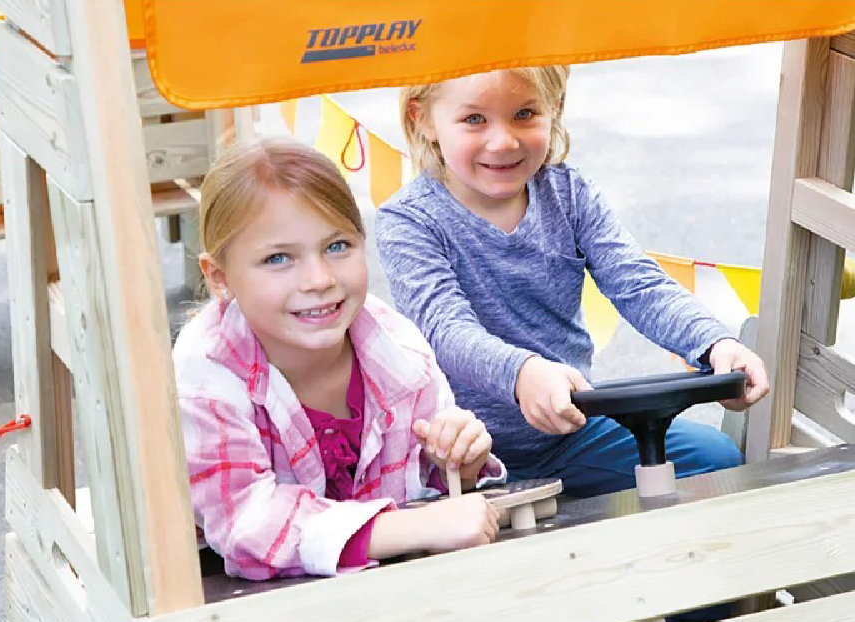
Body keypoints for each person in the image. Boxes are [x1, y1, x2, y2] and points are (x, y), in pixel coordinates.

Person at [376, 66, 770, 501]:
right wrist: (522, 374)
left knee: (715, 459)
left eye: (524, 114)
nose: (503, 141)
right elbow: (444, 329)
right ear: (423, 120)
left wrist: (713, 343)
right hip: (460, 451)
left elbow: (637, 283)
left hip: (573, 431)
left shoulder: (568, 194)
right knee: (418, 514)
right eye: (474, 119)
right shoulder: (409, 220)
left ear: (555, 108)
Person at [174, 136, 504, 581]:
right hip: (228, 599)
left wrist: (457, 459)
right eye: (278, 258)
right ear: (220, 278)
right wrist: (406, 528)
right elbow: (247, 523)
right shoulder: (205, 373)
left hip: (387, 589)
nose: (319, 279)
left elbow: (435, 488)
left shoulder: (397, 350)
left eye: (337, 246)